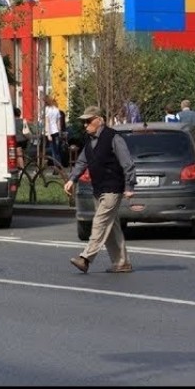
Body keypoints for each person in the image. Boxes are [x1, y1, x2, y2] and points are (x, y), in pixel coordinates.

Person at [63, 105, 136, 274]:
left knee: (100, 223)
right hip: (98, 189)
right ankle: (122, 262)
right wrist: (71, 180)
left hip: (113, 188)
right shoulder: (89, 141)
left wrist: (129, 186)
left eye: (88, 121)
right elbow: (81, 162)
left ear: (99, 120)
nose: (85, 125)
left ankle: (86, 258)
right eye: (84, 122)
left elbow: (127, 163)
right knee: (111, 227)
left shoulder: (113, 137)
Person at [44, 95, 62, 167]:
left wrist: (48, 134)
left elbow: (47, 122)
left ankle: (55, 167)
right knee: (56, 150)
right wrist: (59, 132)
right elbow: (58, 122)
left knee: (53, 150)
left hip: (50, 131)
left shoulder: (47, 109)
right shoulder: (56, 109)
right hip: (56, 131)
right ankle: (59, 165)